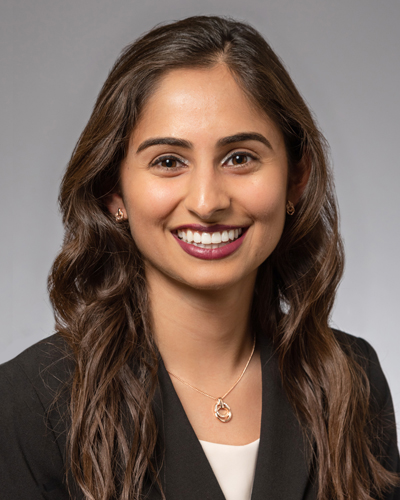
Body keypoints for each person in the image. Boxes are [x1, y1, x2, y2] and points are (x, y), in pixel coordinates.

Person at [0, 15, 399, 500]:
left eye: (240, 157)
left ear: (296, 179)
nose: (208, 202)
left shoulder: (351, 379)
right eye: (168, 161)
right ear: (113, 190)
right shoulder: (29, 402)